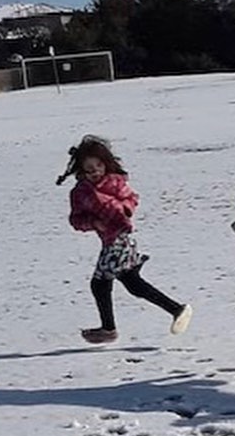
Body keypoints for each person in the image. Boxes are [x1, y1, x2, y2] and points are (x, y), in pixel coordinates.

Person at [57, 135, 192, 344]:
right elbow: (76, 219)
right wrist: (93, 223)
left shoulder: (115, 183)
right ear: (81, 170)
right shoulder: (80, 193)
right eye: (89, 168)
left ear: (106, 164)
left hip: (121, 238)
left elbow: (131, 198)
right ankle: (175, 309)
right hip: (108, 240)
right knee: (128, 283)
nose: (94, 172)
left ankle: (111, 329)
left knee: (103, 283)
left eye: (98, 166)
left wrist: (124, 209)